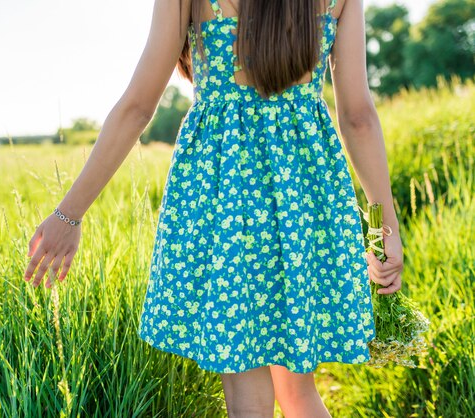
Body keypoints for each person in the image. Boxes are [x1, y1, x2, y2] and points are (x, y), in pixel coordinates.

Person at [24, 0, 404, 416]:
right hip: (303, 202)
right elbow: (358, 116)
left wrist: (69, 214)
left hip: (226, 198)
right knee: (298, 392)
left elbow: (137, 108)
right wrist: (383, 232)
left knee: (248, 398)